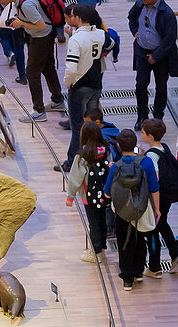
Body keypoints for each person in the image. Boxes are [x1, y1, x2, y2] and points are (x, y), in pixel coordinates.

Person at [0, 0, 64, 122]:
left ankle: (39, 111)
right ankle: (58, 101)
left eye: (1, 0)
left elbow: (41, 26)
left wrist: (21, 23)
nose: (0, 3)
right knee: (48, 67)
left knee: (31, 73)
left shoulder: (26, 4)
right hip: (47, 35)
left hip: (41, 37)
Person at [104, 128, 159, 290]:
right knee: (140, 240)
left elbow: (107, 193)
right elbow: (154, 187)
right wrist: (157, 208)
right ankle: (139, 272)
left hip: (122, 211)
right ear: (135, 144)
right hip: (142, 208)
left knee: (124, 243)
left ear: (119, 145)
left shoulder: (116, 167)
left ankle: (127, 279)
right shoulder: (146, 162)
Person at [61, 3, 108, 173]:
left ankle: (72, 163)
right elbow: (111, 44)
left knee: (77, 127)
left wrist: (68, 82)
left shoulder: (76, 39)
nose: (70, 18)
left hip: (80, 87)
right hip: (96, 85)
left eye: (72, 15)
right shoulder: (101, 34)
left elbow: (72, 67)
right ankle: (95, 157)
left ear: (79, 18)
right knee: (93, 125)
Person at [127, 0, 178, 128]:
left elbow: (170, 40)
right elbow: (131, 19)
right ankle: (142, 116)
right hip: (142, 52)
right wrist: (135, 31)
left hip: (160, 56)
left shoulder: (167, 14)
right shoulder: (139, 5)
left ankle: (157, 117)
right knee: (141, 84)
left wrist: (155, 56)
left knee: (161, 86)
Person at [65, 121, 111, 264]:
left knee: (94, 223)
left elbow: (75, 177)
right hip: (104, 194)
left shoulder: (83, 154)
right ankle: (102, 250)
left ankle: (95, 253)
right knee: (102, 220)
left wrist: (70, 197)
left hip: (89, 195)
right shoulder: (106, 150)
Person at [140, 118, 178, 275]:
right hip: (169, 195)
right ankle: (174, 254)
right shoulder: (164, 147)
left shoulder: (151, 155)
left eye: (142, 132)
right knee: (162, 224)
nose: (141, 135)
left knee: (153, 230)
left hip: (158, 197)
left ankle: (155, 267)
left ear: (149, 135)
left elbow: (154, 178)